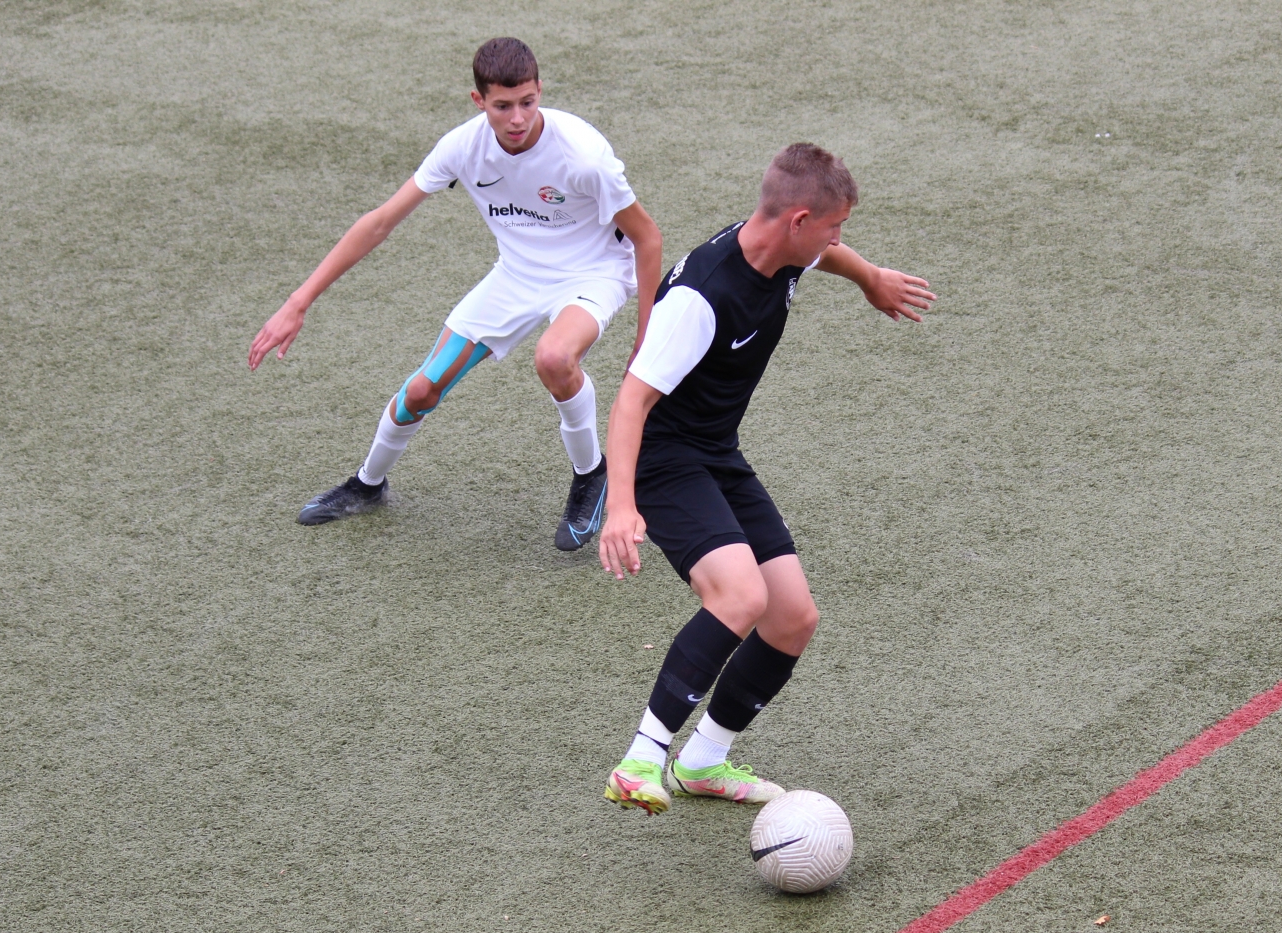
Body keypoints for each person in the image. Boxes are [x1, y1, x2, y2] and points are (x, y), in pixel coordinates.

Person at [599, 143, 934, 813]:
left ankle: (703, 762)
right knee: (739, 596)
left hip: (715, 452)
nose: (837, 239)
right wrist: (621, 507)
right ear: (798, 219)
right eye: (834, 227)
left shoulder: (784, 248)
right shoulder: (701, 299)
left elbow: (826, 256)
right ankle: (640, 761)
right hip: (663, 459)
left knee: (792, 618)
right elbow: (631, 401)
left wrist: (870, 278)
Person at [248, 37, 663, 549]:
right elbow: (380, 223)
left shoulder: (583, 155)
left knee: (554, 357)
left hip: (593, 272)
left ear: (540, 90)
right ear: (478, 101)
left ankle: (591, 475)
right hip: (516, 275)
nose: (517, 118)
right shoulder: (462, 147)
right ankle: (367, 484)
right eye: (502, 106)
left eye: (528, 102)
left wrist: (646, 338)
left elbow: (647, 237)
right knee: (421, 390)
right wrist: (298, 301)